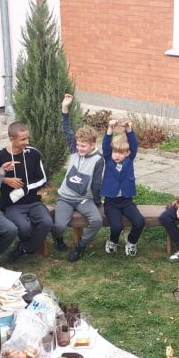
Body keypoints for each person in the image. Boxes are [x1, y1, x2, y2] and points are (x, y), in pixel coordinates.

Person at [0, 118, 53, 262]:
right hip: (11, 204)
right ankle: (32, 243)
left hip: (33, 201)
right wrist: (5, 180)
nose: (27, 142)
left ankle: (24, 248)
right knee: (24, 228)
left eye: (28, 138)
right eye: (23, 139)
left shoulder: (34, 154)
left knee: (47, 222)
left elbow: (42, 179)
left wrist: (25, 189)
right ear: (11, 139)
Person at [52, 94, 105, 262]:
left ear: (92, 144)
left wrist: (97, 202)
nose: (79, 148)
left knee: (97, 221)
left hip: (84, 199)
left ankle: (81, 246)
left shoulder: (98, 160)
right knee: (59, 225)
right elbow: (67, 131)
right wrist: (65, 108)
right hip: (66, 197)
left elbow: (96, 183)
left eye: (83, 145)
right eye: (78, 144)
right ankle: (58, 238)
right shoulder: (75, 151)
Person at [101, 119, 144, 256]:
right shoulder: (108, 160)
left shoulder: (129, 161)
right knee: (116, 226)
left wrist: (128, 129)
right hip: (111, 202)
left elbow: (134, 145)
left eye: (120, 153)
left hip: (126, 201)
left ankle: (131, 241)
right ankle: (112, 241)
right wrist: (110, 129)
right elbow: (105, 146)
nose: (116, 155)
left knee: (139, 221)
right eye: (115, 152)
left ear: (128, 153)